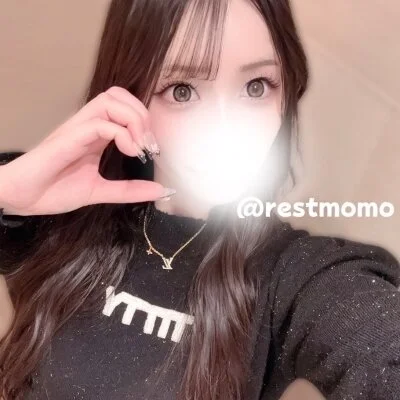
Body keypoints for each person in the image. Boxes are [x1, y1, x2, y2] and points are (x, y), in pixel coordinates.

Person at [0, 0, 399, 399]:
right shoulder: (62, 219)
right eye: (182, 90)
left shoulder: (294, 274)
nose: (227, 130)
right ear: (131, 98)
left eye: (256, 86)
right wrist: (7, 192)